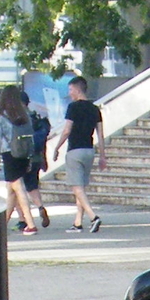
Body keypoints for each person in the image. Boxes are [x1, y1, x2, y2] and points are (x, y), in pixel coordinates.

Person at [55, 75, 105, 233]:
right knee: (81, 187)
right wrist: (103, 156)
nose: (69, 93)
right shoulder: (94, 109)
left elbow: (66, 130)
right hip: (89, 150)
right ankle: (77, 222)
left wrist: (57, 147)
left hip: (75, 150)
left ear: (77, 90)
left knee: (77, 187)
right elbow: (100, 134)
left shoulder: (73, 107)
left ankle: (93, 217)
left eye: (70, 89)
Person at [0, 87, 40, 233]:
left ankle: (30, 223)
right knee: (11, 191)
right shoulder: (25, 114)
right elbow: (31, 136)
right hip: (23, 154)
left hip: (9, 154)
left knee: (18, 188)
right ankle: (2, 224)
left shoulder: (1, 116)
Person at [23, 94, 53, 229]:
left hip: (22, 158)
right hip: (36, 158)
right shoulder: (35, 117)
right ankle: (40, 207)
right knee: (32, 186)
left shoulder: (19, 119)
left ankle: (24, 219)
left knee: (18, 188)